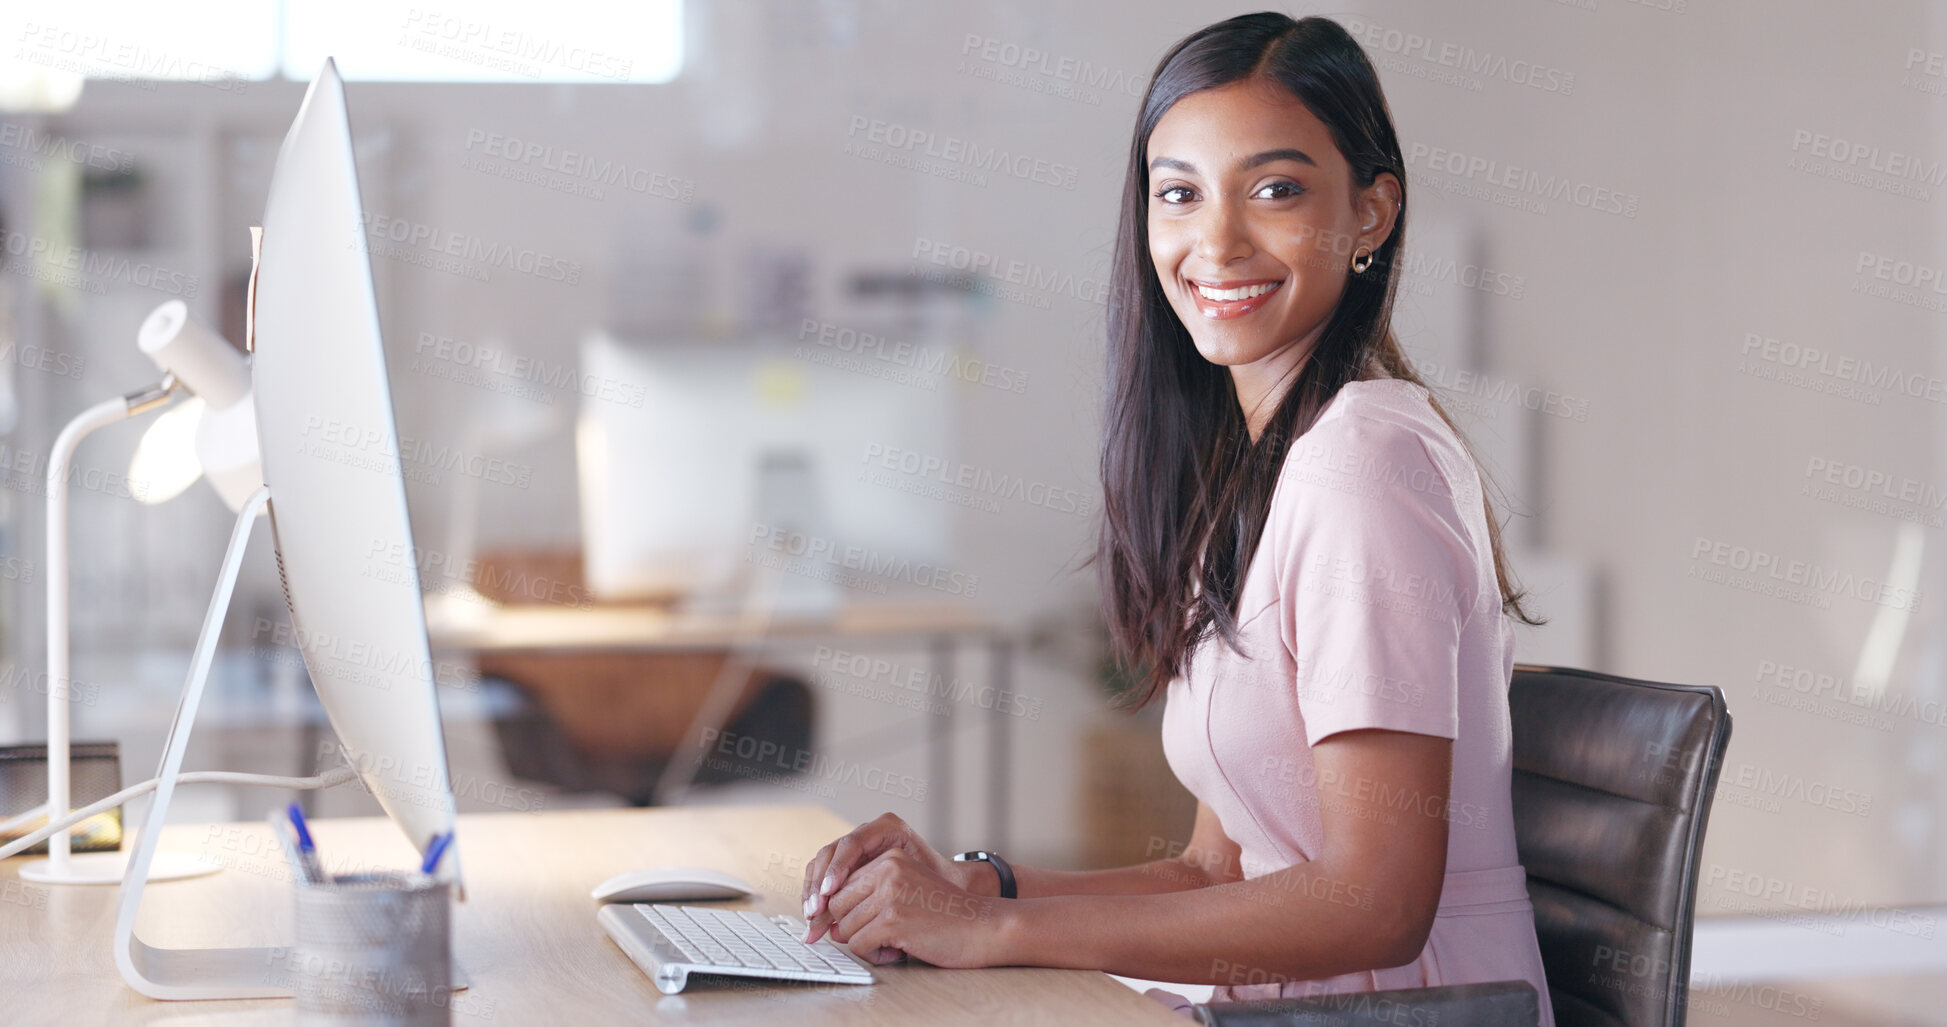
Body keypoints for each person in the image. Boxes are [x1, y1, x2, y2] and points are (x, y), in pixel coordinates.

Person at [798, 13, 1554, 1022]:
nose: (1217, 241)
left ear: (1372, 214)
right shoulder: (1263, 474)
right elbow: (1214, 873)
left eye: (1275, 190)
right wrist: (983, 888)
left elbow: (1377, 903)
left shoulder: (1365, 466)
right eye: (1180, 194)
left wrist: (996, 933)